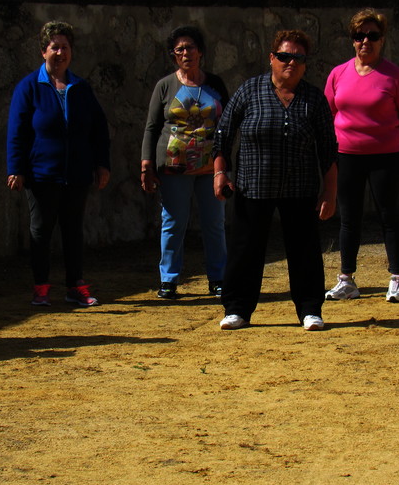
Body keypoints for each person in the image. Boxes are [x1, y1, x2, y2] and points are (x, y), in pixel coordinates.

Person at [213, 29, 337, 331]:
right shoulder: (249, 91)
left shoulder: (314, 99)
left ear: (305, 64)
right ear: (272, 58)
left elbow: (328, 149)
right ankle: (237, 309)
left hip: (300, 188)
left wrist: (329, 193)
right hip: (253, 187)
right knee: (246, 250)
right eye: (284, 56)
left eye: (298, 58)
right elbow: (223, 135)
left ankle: (310, 309)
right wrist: (220, 172)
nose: (290, 63)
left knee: (304, 250)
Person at [7, 20, 110, 308]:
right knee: (41, 232)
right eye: (55, 47)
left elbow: (98, 129)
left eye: (65, 47)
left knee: (73, 231)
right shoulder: (28, 88)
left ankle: (75, 286)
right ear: (44, 52)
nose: (60, 53)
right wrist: (16, 168)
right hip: (42, 175)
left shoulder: (81, 88)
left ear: (71, 52)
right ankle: (40, 287)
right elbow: (18, 130)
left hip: (76, 174)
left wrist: (102, 164)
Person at [324, 8, 399, 304]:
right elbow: (329, 111)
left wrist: (389, 138)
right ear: (352, 40)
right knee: (349, 219)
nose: (366, 41)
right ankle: (347, 280)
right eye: (359, 36)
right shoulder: (338, 74)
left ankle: (397, 279)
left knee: (389, 216)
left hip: (386, 157)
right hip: (348, 156)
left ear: (382, 40)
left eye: (372, 36)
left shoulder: (395, 76)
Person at [141, 26, 228, 300]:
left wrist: (225, 168)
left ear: (201, 51)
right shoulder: (165, 86)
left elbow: (226, 126)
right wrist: (146, 164)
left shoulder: (215, 84)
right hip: (173, 167)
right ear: (174, 56)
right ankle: (168, 280)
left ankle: (218, 279)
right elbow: (152, 127)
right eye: (179, 49)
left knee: (214, 223)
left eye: (190, 47)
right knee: (173, 222)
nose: (185, 53)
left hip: (209, 167)